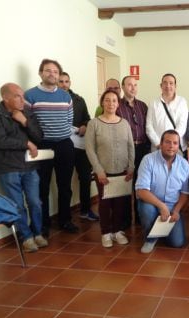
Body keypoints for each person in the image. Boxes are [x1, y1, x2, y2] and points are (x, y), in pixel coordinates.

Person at [0, 83, 48, 252]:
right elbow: (0, 141)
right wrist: (26, 143)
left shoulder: (28, 112)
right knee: (17, 205)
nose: (23, 99)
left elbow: (40, 136)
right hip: (8, 167)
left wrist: (25, 121)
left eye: (23, 95)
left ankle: (38, 233)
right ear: (5, 98)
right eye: (17, 96)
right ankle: (26, 237)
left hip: (30, 166)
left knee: (35, 202)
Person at [25, 59, 77, 237]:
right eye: (48, 71)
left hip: (64, 144)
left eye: (56, 72)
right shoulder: (30, 95)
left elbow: (69, 121)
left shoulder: (65, 96)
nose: (52, 74)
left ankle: (65, 220)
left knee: (65, 186)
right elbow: (27, 123)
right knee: (42, 187)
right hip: (42, 146)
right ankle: (43, 224)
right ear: (40, 73)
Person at [85, 89, 134, 247]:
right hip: (103, 172)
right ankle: (106, 233)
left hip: (122, 171)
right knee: (105, 204)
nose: (111, 103)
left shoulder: (124, 123)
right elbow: (90, 149)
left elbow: (130, 146)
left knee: (120, 203)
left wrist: (131, 166)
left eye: (114, 100)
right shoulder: (94, 124)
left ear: (118, 104)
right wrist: (98, 170)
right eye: (107, 100)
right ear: (102, 103)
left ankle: (118, 231)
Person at [135, 130, 189, 253]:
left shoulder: (184, 165)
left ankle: (160, 230)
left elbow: (185, 193)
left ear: (178, 146)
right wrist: (161, 206)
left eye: (175, 143)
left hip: (172, 206)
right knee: (147, 210)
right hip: (152, 203)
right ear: (160, 143)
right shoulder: (148, 160)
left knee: (177, 243)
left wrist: (176, 211)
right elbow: (141, 191)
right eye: (167, 142)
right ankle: (150, 239)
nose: (171, 146)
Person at [58, 72, 99, 221]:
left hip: (80, 144)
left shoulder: (79, 100)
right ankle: (65, 216)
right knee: (65, 181)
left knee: (85, 178)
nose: (63, 84)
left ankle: (86, 210)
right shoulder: (54, 102)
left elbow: (87, 118)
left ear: (70, 83)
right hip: (63, 145)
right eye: (60, 81)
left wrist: (84, 125)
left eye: (66, 81)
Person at [119, 75, 150, 227]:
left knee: (141, 183)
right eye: (129, 85)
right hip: (125, 150)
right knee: (126, 184)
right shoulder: (117, 106)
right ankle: (124, 219)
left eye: (135, 85)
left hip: (143, 148)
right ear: (123, 87)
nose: (133, 88)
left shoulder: (143, 106)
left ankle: (139, 217)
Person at [146, 74, 188, 152]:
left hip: (176, 147)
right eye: (165, 83)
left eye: (171, 83)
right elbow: (149, 126)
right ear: (161, 86)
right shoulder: (153, 103)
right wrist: (159, 144)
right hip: (158, 148)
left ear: (175, 86)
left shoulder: (182, 102)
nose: (168, 86)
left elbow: (182, 124)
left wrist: (171, 143)